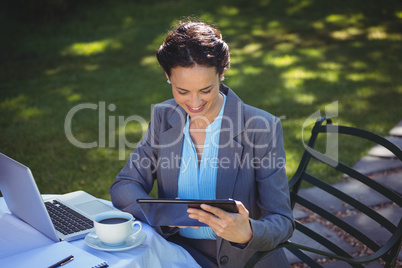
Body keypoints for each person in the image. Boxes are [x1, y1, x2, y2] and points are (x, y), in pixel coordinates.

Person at [110, 19, 294, 268]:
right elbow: (125, 185)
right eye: (182, 91)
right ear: (167, 76)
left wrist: (249, 232)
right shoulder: (164, 116)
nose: (194, 103)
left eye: (206, 89)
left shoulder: (261, 127)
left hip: (248, 261)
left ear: (222, 72)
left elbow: (282, 221)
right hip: (179, 257)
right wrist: (164, 216)